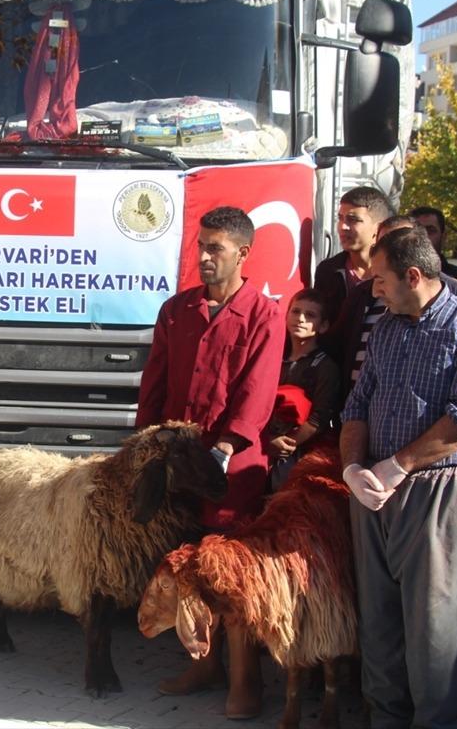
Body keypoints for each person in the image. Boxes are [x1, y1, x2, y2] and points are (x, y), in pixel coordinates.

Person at [340, 226, 457, 729]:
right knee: (380, 627)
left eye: (381, 280)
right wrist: (353, 467)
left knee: (436, 632)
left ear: (413, 276)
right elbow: (358, 402)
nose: (374, 289)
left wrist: (399, 465)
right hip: (375, 494)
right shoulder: (388, 327)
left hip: (442, 493)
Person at [136, 206, 282, 717]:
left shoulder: (265, 315)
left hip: (232, 472)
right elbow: (154, 382)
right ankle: (203, 665)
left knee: (233, 577)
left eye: (214, 248)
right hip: (179, 464)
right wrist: (145, 447)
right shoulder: (177, 311)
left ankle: (246, 681)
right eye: (201, 246)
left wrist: (225, 447)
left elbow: (258, 393)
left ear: (243, 253)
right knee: (189, 570)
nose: (203, 256)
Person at [325, 215, 457, 397]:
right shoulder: (364, 298)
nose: (377, 291)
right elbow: (338, 348)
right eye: (383, 242)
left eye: (399, 242)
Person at [265, 288, 340, 491]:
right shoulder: (271, 359)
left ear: (323, 326)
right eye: (296, 311)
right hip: (263, 445)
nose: (300, 319)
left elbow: (319, 417)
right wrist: (267, 441)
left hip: (298, 454)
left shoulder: (326, 367)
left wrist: (287, 444)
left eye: (310, 315)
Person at [313, 187, 393, 321]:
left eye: (353, 219)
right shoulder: (328, 271)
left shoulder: (394, 273)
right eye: (340, 218)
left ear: (378, 228)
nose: (342, 227)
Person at [409, 206, 457, 296]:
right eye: (418, 231)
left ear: (443, 236)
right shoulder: (395, 280)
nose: (424, 237)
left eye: (430, 231)